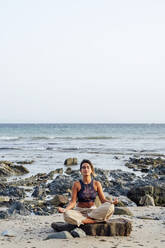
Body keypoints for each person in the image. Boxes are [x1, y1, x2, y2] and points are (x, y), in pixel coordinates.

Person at [58, 159, 118, 226]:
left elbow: (103, 200)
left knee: (111, 207)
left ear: (91, 170)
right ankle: (94, 221)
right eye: (83, 167)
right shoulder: (76, 184)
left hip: (93, 211)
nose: (86, 169)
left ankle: (85, 219)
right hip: (79, 211)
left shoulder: (97, 184)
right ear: (81, 171)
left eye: (88, 167)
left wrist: (112, 202)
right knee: (66, 215)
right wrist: (65, 209)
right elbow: (73, 202)